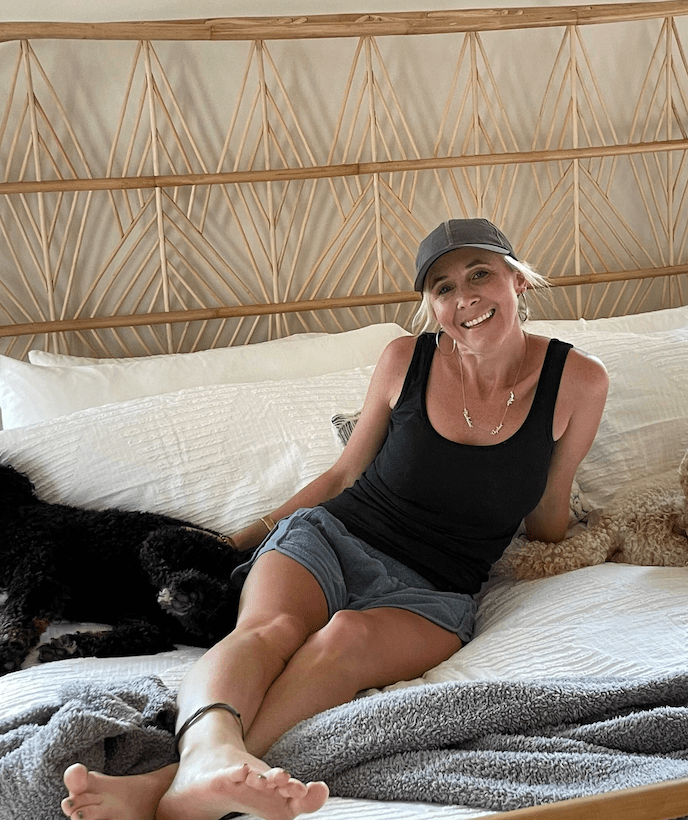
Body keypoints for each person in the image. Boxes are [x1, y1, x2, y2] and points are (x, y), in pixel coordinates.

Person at [60, 217, 609, 820]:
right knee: (268, 632)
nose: (465, 297)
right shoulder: (406, 359)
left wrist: (596, 536)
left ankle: (168, 784)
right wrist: (236, 541)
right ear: (431, 307)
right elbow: (344, 475)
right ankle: (208, 758)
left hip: (435, 589)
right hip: (333, 534)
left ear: (518, 281)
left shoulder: (579, 382)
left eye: (480, 274)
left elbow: (549, 510)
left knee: (342, 640)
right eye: (444, 288)